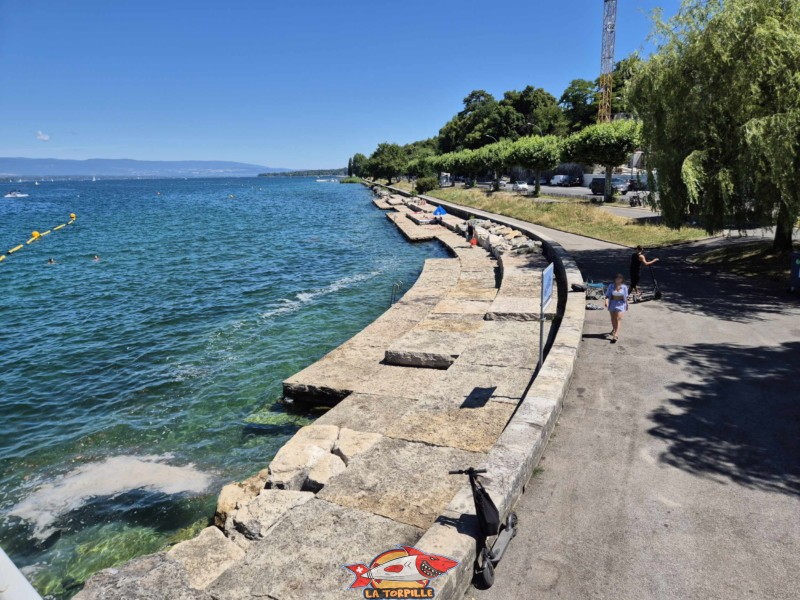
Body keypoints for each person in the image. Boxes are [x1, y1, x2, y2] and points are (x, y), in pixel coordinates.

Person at [604, 274, 629, 343]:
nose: (618, 280)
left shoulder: (624, 287)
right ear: (614, 279)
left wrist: (626, 304)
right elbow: (607, 295)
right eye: (617, 278)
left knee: (618, 319)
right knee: (613, 319)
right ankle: (614, 330)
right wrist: (606, 301)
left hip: (620, 304)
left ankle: (616, 334)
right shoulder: (611, 286)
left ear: (622, 280)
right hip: (612, 304)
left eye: (620, 278)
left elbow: (626, 297)